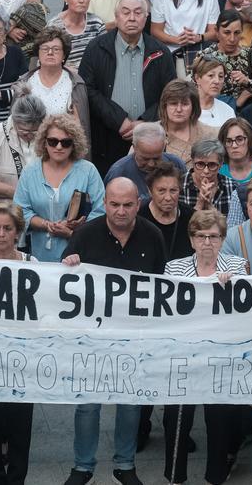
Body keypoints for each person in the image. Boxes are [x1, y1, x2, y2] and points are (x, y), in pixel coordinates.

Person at [58, 177, 164, 485]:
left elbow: (162, 286)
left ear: (138, 205)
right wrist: (70, 263)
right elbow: (65, 283)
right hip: (93, 337)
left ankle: (125, 465)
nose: (120, 211)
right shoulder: (85, 235)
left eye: (128, 205)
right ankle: (82, 466)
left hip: (135, 335)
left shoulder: (152, 235)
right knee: (88, 404)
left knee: (131, 404)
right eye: (114, 204)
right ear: (104, 204)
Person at [159, 208, 242, 484]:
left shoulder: (237, 267)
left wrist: (230, 285)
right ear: (192, 240)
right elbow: (168, 309)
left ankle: (216, 476)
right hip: (184, 353)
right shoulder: (175, 267)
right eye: (201, 236)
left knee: (218, 420)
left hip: (221, 354)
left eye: (214, 236)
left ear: (222, 239)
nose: (207, 242)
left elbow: (246, 311)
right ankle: (175, 476)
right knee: (176, 418)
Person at [79, 0, 176, 173]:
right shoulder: (96, 48)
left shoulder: (161, 52)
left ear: (146, 17)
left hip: (150, 138)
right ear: (116, 17)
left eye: (138, 12)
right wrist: (118, 119)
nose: (132, 18)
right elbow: (87, 90)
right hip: (107, 135)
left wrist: (145, 122)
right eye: (126, 12)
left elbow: (169, 94)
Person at [12, 113, 105, 262]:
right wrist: (46, 224)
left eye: (66, 142)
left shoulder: (88, 171)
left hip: (80, 255)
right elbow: (19, 210)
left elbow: (100, 211)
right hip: (38, 255)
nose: (59, 147)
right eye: (53, 141)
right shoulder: (30, 172)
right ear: (44, 142)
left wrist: (72, 232)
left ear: (75, 144)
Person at [13, 27, 90, 131]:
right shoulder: (25, 82)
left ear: (64, 55)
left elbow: (80, 128)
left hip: (61, 145)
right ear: (38, 54)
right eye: (45, 49)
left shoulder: (75, 84)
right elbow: (15, 123)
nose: (50, 52)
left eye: (56, 49)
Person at [0, 96, 45, 201]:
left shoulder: (49, 134)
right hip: (6, 207)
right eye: (24, 131)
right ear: (14, 121)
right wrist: (12, 192)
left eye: (34, 131)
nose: (29, 135)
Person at [199, 10, 252, 108]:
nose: (232, 39)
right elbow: (196, 92)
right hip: (213, 114)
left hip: (246, 117)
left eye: (237, 33)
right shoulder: (205, 56)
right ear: (217, 32)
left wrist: (248, 82)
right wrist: (238, 101)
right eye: (227, 33)